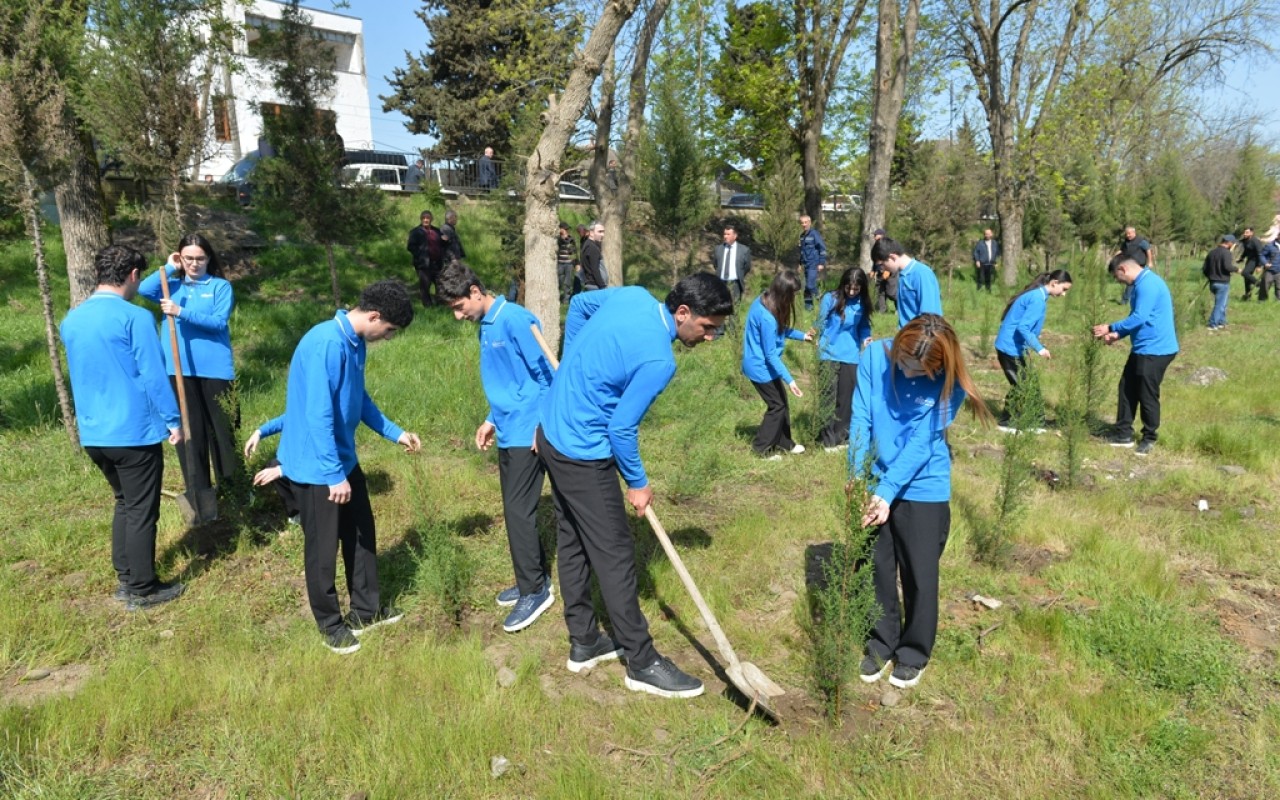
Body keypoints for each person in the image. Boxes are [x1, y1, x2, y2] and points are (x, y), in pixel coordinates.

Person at [537, 273, 733, 699]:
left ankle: (585, 641)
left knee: (571, 539)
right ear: (683, 313)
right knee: (616, 555)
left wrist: (573, 366)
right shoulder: (659, 360)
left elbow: (582, 307)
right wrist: (639, 484)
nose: (711, 336)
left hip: (549, 431)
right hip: (583, 453)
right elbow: (621, 428)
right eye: (707, 327)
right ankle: (641, 662)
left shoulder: (632, 296)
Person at [277, 280, 422, 653]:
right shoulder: (327, 343)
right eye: (388, 330)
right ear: (374, 316)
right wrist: (333, 474)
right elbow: (317, 415)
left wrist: (395, 432)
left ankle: (366, 610)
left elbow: (359, 399)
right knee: (322, 549)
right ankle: (330, 625)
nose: (387, 338)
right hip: (316, 467)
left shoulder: (355, 343)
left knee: (360, 534)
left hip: (341, 459)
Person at [851, 313, 993, 690]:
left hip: (922, 483)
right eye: (905, 363)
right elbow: (862, 416)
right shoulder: (872, 358)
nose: (911, 374)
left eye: (922, 370)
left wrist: (889, 489)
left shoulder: (951, 381)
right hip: (875, 477)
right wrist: (858, 474)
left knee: (919, 571)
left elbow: (923, 443)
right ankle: (881, 643)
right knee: (877, 566)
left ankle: (913, 652)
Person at [60, 245, 186, 610]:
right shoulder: (134, 318)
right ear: (133, 275)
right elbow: (153, 374)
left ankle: (126, 578)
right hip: (133, 432)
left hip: (95, 434)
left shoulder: (72, 319)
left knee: (125, 503)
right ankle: (143, 588)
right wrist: (172, 420)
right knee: (142, 509)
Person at [437, 262, 558, 633]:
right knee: (514, 510)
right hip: (507, 428)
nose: (459, 317)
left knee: (519, 512)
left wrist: (541, 427)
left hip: (528, 431)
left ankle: (536, 591)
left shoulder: (516, 320)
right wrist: (491, 418)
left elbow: (548, 376)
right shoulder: (486, 327)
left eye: (459, 307)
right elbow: (509, 379)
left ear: (475, 291)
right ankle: (530, 579)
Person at [137, 233, 239, 499]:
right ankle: (199, 490)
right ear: (181, 258)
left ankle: (232, 489)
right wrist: (170, 266)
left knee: (223, 433)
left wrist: (180, 312)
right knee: (190, 432)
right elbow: (143, 289)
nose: (194, 263)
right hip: (179, 371)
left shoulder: (220, 287)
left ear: (208, 259)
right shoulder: (170, 285)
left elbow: (218, 322)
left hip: (215, 370)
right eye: (188, 258)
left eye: (200, 258)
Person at [1091, 255, 1178, 456]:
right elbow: (1137, 320)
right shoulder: (1142, 283)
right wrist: (1118, 334)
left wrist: (1110, 327)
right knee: (1127, 388)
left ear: (1123, 269)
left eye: (1117, 277)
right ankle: (1123, 434)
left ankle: (1149, 437)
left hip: (1156, 350)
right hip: (1142, 348)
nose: (1118, 281)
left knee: (1146, 394)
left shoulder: (1148, 285)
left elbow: (1140, 317)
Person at [742, 270, 814, 458]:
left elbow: (781, 330)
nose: (795, 298)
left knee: (782, 404)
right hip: (760, 367)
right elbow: (771, 355)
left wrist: (802, 336)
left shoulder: (765, 300)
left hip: (763, 365)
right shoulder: (766, 317)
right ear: (784, 293)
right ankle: (761, 448)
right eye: (794, 294)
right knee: (777, 407)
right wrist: (790, 381)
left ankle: (784, 443)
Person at [993, 270, 1073, 432]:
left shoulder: (1037, 296)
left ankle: (1036, 420)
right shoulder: (1037, 299)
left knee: (1026, 383)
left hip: (1013, 347)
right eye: (1064, 289)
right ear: (1054, 283)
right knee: (1021, 385)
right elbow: (1023, 327)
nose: (1063, 294)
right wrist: (1039, 348)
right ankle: (1007, 422)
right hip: (1009, 348)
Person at [815, 267, 873, 451]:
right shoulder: (830, 298)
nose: (852, 292)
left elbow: (864, 326)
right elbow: (820, 322)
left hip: (850, 355)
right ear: (843, 284)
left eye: (856, 289)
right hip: (828, 353)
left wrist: (866, 337)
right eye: (849, 288)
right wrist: (816, 335)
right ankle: (826, 439)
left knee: (846, 398)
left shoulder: (862, 303)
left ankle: (841, 437)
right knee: (827, 397)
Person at [871, 237, 942, 329]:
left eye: (882, 264)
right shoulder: (901, 275)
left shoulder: (922, 274)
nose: (882, 269)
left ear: (893, 257)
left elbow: (930, 317)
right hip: (906, 336)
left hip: (920, 338)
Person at [406, 210, 444, 306]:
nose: (426, 220)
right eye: (424, 218)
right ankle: (428, 306)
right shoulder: (415, 231)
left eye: (428, 218)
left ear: (431, 219)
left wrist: (446, 241)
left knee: (440, 285)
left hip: (437, 263)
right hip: (423, 264)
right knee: (425, 286)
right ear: (421, 219)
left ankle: (440, 304)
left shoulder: (437, 231)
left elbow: (442, 244)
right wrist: (420, 255)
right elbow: (410, 246)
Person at [1203, 234, 1237, 331]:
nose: (1233, 245)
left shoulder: (1212, 252)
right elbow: (1227, 267)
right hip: (1222, 283)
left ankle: (1222, 322)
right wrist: (1237, 269)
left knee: (1223, 303)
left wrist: (1210, 277)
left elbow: (1205, 269)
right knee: (1220, 304)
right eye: (1233, 243)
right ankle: (1212, 324)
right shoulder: (1227, 253)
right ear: (1229, 243)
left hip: (1212, 283)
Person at [1113, 226, 1154, 304]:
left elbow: (1148, 250)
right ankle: (1134, 298)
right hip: (1130, 265)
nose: (1128, 235)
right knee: (1133, 283)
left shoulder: (1141, 241)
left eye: (1129, 233)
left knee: (1132, 282)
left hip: (1139, 265)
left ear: (1134, 232)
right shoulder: (1126, 242)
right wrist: (1115, 255)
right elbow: (1122, 250)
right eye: (1126, 234)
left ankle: (1124, 301)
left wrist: (1150, 261)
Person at [712, 223, 752, 303]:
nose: (725, 236)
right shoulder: (718, 249)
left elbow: (747, 267)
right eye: (724, 234)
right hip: (721, 283)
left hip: (735, 284)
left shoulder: (744, 250)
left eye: (728, 234)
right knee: (721, 307)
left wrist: (739, 274)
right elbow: (715, 264)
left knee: (734, 308)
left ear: (735, 236)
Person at [798, 215, 828, 310]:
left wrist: (821, 263)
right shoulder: (802, 236)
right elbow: (802, 251)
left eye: (805, 222)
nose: (804, 224)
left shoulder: (814, 234)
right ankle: (808, 308)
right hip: (806, 265)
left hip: (813, 264)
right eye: (802, 223)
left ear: (809, 222)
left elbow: (822, 248)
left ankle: (822, 299)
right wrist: (799, 264)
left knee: (810, 285)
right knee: (806, 288)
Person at [869, 228, 896, 313]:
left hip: (890, 272)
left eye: (876, 235)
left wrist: (889, 271)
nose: (874, 236)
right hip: (880, 271)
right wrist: (873, 270)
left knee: (892, 292)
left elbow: (893, 259)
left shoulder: (889, 245)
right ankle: (882, 311)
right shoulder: (876, 246)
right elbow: (875, 260)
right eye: (874, 235)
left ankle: (899, 309)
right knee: (880, 291)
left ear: (882, 235)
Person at [579, 220, 608, 291]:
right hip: (595, 286)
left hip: (593, 285)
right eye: (599, 232)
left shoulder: (588, 245)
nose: (602, 234)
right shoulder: (592, 247)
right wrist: (602, 287)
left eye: (603, 232)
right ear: (591, 233)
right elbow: (595, 269)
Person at [1237, 227, 1263, 300]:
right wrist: (1241, 258)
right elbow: (1246, 251)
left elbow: (1260, 253)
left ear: (1251, 233)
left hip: (1256, 260)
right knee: (1246, 278)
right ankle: (1247, 295)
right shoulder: (1245, 240)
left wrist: (1259, 266)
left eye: (1247, 232)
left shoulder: (1255, 241)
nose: (1245, 234)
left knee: (1244, 273)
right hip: (1250, 260)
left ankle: (1259, 284)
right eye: (1244, 232)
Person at [556, 222, 579, 301]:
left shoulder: (571, 239)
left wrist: (577, 263)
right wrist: (562, 236)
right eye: (565, 229)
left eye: (567, 229)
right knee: (559, 281)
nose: (566, 230)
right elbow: (560, 242)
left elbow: (574, 252)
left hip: (569, 264)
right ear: (561, 229)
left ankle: (566, 299)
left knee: (567, 282)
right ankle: (556, 298)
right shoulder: (557, 238)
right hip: (560, 263)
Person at [1261, 237, 1280, 302]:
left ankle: (1278, 302)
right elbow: (1261, 255)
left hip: (1279, 271)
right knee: (1265, 287)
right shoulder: (1269, 245)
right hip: (1269, 270)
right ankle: (1262, 301)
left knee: (1279, 288)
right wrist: (1265, 263)